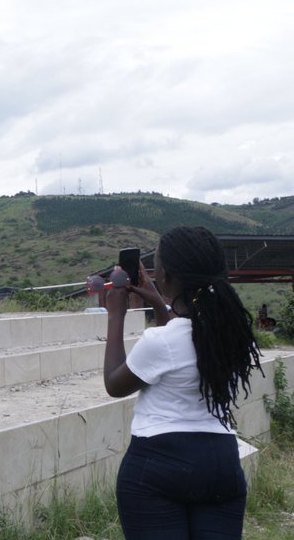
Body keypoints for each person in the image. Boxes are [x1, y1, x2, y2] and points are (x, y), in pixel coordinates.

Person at [103, 226, 262, 539]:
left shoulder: (160, 341)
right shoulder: (229, 337)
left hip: (157, 465)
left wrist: (115, 315)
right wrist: (159, 301)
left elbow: (114, 384)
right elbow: (186, 340)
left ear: (166, 276)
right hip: (221, 464)